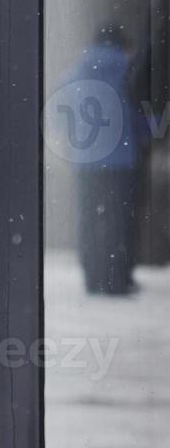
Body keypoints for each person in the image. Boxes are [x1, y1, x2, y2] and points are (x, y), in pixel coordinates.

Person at [66, 24, 150, 295]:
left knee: (90, 219)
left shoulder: (76, 70)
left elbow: (57, 110)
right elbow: (145, 111)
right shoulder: (129, 69)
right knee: (119, 221)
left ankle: (93, 278)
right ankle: (117, 280)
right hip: (121, 161)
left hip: (86, 162)